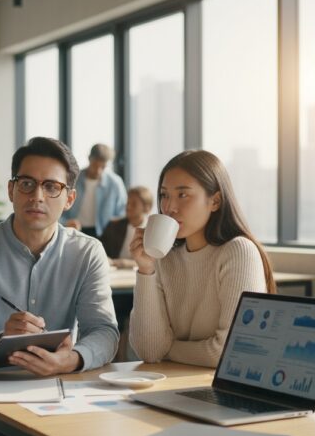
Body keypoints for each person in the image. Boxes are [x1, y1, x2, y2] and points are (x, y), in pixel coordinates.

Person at [0, 137, 119, 436]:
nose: (37, 196)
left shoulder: (88, 252)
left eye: (52, 187)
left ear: (69, 198)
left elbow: (104, 332)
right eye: (27, 183)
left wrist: (73, 359)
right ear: (11, 190)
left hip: (63, 396)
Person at [128, 150, 276, 368]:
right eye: (164, 195)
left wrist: (168, 348)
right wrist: (146, 270)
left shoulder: (238, 252)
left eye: (183, 195)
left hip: (218, 387)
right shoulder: (163, 259)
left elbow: (230, 351)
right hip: (172, 382)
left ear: (215, 201)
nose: (169, 207)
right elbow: (149, 351)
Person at [62, 143, 126, 238]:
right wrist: (65, 222)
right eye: (95, 165)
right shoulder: (74, 179)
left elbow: (121, 212)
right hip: (74, 230)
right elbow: (60, 206)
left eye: (103, 167)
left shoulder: (115, 183)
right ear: (89, 158)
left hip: (103, 234)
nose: (98, 171)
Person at [99, 186, 153, 268]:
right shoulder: (113, 226)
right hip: (114, 271)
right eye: (128, 203)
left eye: (134, 204)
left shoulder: (152, 231)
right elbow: (100, 251)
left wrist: (125, 263)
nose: (128, 207)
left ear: (147, 208)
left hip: (141, 273)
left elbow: (154, 262)